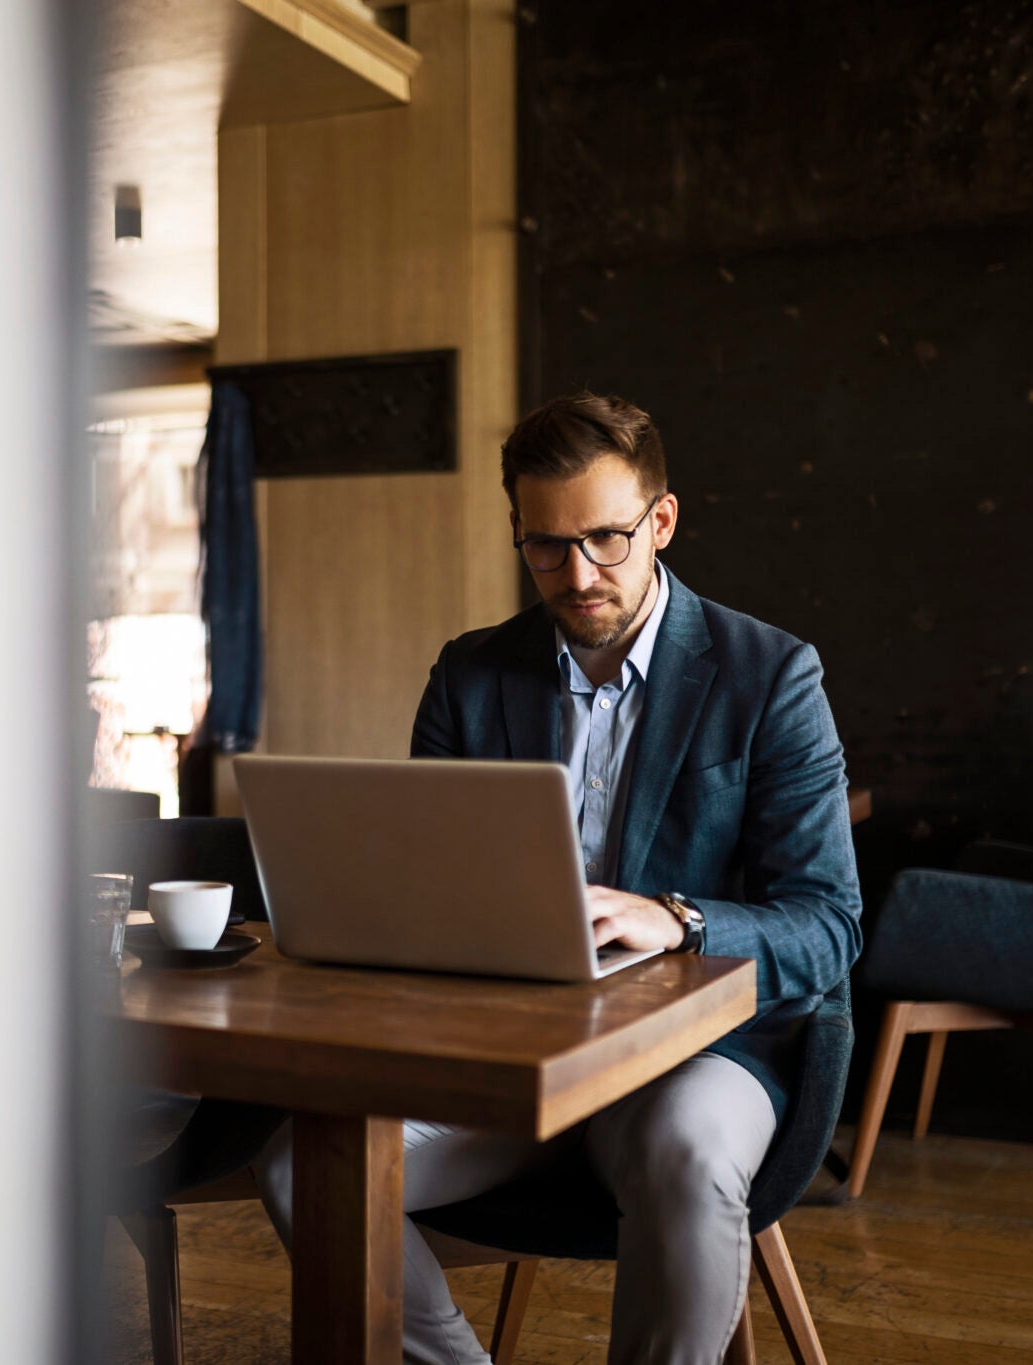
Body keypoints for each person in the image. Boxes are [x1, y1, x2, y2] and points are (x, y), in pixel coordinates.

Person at [251, 392, 863, 1365]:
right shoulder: (470, 675)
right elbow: (426, 887)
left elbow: (829, 924)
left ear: (660, 521)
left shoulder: (769, 674)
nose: (575, 575)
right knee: (300, 1176)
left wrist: (676, 918)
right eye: (543, 545)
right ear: (516, 532)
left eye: (607, 540)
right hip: (508, 1056)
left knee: (689, 1152)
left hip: (695, 1057)